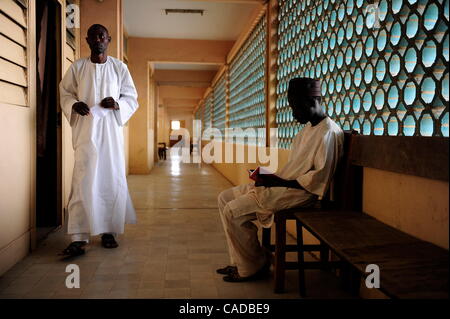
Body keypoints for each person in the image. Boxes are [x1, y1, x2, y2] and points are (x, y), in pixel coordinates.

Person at [216, 77, 344, 282]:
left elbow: (317, 180)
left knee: (232, 212)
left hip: (300, 194)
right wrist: (270, 177)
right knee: (224, 197)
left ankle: (251, 267)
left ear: (312, 102)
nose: (293, 114)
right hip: (284, 186)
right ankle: (241, 262)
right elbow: (294, 169)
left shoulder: (329, 132)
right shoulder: (305, 131)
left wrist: (277, 181)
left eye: (296, 108)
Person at [59, 24, 138, 256]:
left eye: (102, 35)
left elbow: (131, 97)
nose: (98, 39)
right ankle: (78, 237)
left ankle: (109, 232)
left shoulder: (119, 68)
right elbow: (65, 92)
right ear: (87, 40)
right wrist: (74, 104)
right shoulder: (78, 67)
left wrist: (117, 104)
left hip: (111, 135)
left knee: (110, 179)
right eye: (94, 36)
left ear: (109, 39)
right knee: (82, 179)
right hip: (85, 132)